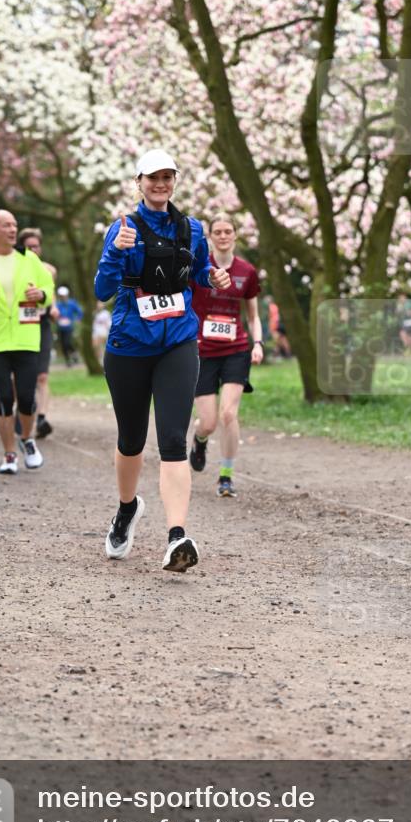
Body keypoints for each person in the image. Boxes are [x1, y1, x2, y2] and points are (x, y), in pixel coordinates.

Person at [94, 148, 230, 573]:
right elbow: (102, 290)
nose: (160, 184)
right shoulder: (123, 229)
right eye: (153, 177)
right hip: (129, 347)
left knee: (173, 439)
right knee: (131, 440)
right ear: (139, 182)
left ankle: (176, 538)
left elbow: (199, 271)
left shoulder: (192, 228)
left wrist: (213, 276)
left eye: (167, 177)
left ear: (174, 182)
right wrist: (116, 252)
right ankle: (126, 509)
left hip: (178, 343)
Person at [0, 210, 54, 473]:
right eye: (6, 225)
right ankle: (9, 454)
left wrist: (41, 294)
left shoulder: (29, 258)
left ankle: (27, 439)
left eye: (15, 225)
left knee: (26, 398)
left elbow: (48, 290)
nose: (13, 229)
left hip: (27, 338)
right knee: (5, 397)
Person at [189, 213, 264, 497]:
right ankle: (199, 439)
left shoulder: (246, 271)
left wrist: (258, 343)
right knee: (208, 423)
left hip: (236, 349)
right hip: (203, 351)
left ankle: (226, 476)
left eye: (227, 231)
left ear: (235, 235)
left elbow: (253, 315)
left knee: (229, 414)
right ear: (209, 236)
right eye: (217, 232)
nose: (223, 236)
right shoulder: (199, 268)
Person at [17, 227, 56, 439]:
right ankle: (21, 410)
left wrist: (54, 308)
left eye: (36, 246)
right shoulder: (14, 268)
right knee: (19, 377)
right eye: (29, 246)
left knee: (42, 376)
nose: (33, 250)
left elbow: (51, 292)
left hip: (42, 325)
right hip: (21, 326)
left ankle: (41, 418)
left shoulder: (48, 270)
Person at [54, 285, 83, 366]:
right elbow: (55, 314)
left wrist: (78, 319)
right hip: (60, 327)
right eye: (61, 296)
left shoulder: (72, 303)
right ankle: (68, 361)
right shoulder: (58, 304)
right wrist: (56, 318)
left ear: (67, 295)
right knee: (63, 345)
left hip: (69, 327)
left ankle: (74, 354)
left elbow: (79, 312)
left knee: (67, 343)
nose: (62, 297)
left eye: (63, 295)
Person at [91, 300, 111, 365]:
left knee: (102, 346)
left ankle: (103, 360)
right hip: (96, 332)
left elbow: (109, 324)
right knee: (95, 346)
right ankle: (99, 360)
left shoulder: (106, 313)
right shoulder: (94, 313)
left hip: (103, 332)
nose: (99, 305)